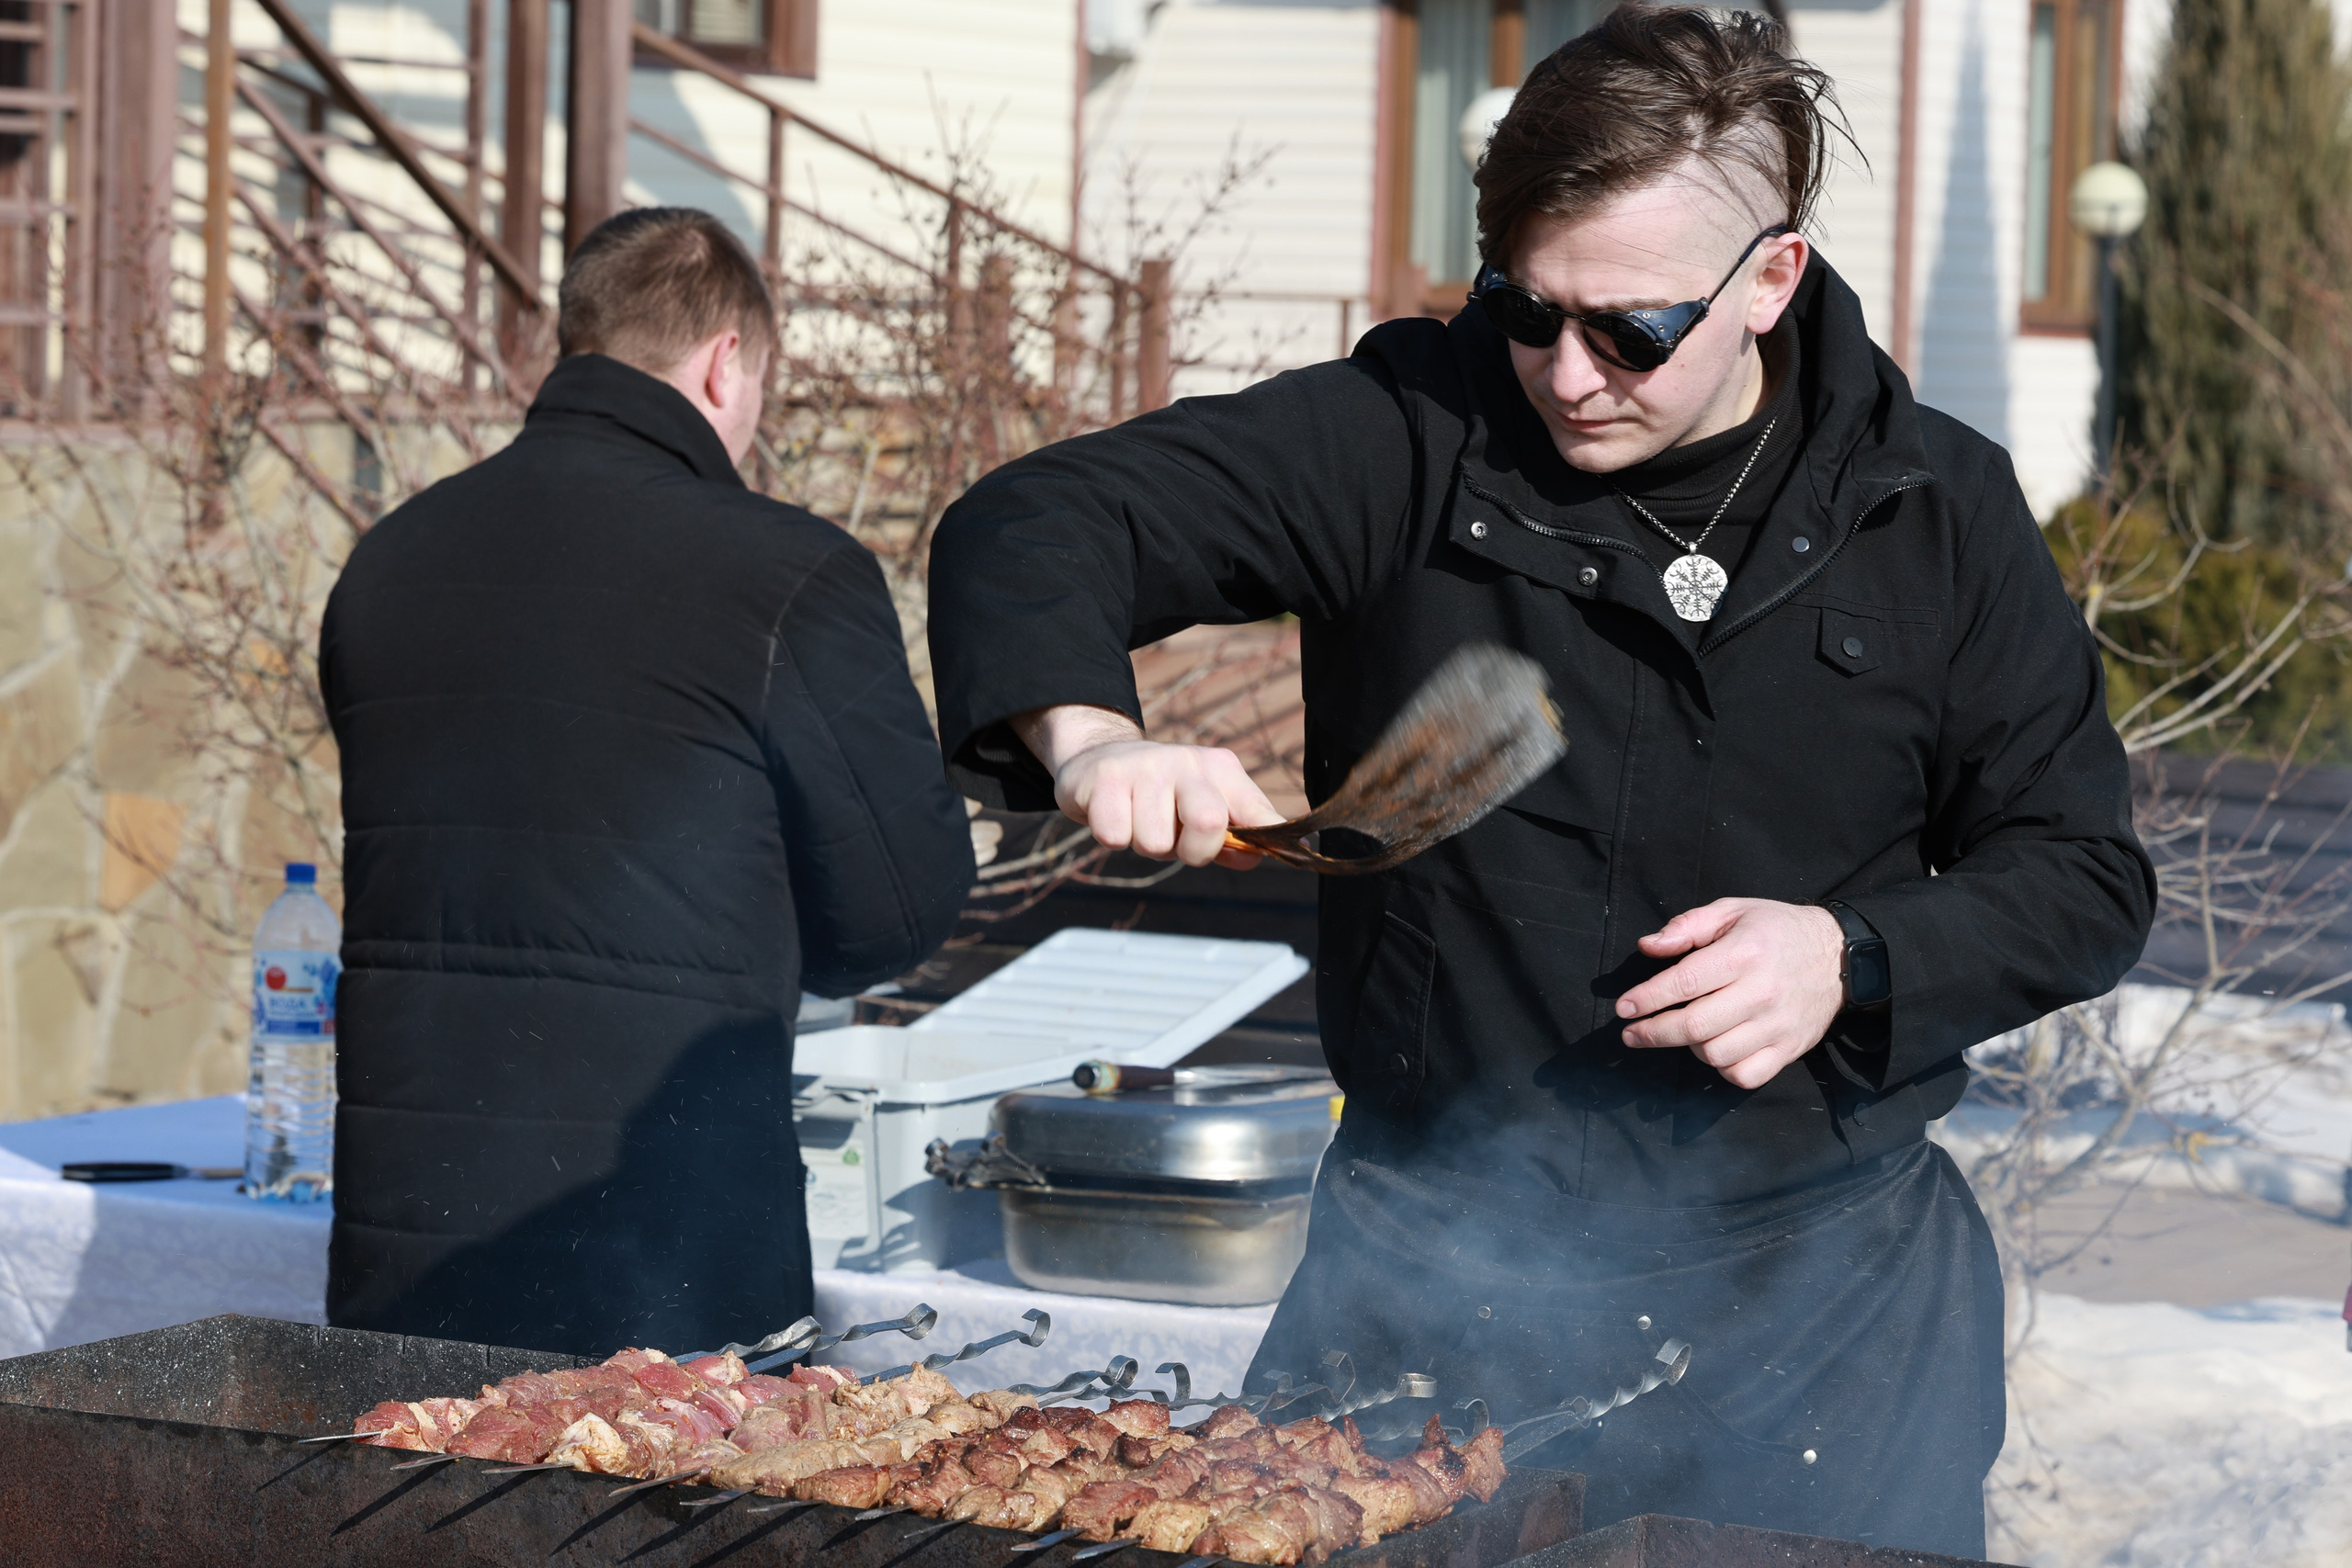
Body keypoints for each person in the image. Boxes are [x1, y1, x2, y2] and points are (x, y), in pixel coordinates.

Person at [926, 9, 2153, 1557]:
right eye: (1527, 307)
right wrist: (1090, 734)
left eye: (1631, 329)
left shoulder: (1937, 510)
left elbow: (2084, 875)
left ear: (1770, 279)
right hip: (1428, 1292)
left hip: (1823, 1315)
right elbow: (1041, 522)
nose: (1568, 375)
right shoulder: (1411, 436)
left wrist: (1853, 958)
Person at [321, 208, 974, 1358]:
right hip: (666, 1269)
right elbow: (895, 917)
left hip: (407, 1251)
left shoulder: (389, 561)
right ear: (727, 363)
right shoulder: (790, 574)